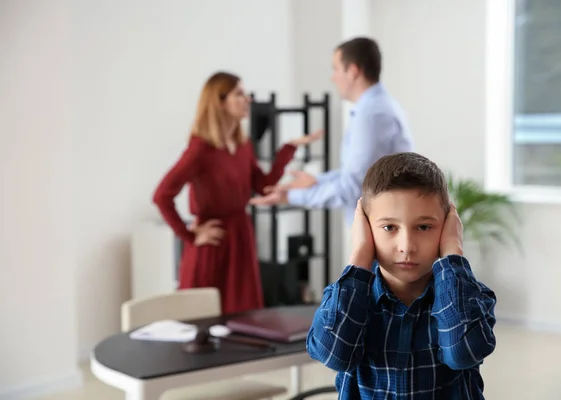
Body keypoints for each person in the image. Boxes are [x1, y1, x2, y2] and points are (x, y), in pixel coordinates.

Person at [306, 152, 497, 399]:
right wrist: (360, 254)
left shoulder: (471, 297)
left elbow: (462, 353)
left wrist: (453, 251)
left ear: (449, 225)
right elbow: (334, 355)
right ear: (365, 227)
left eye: (424, 227)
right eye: (389, 227)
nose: (407, 246)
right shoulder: (347, 297)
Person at [152, 71, 322, 314]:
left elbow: (263, 185)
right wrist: (189, 235)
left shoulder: (243, 145)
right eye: (239, 94)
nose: (248, 99)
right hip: (215, 243)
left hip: (240, 238)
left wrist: (289, 148)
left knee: (244, 318)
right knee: (206, 320)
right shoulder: (200, 149)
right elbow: (162, 196)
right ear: (220, 102)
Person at [249, 37, 413, 227]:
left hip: (380, 232)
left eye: (335, 69)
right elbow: (357, 174)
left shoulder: (371, 115)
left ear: (352, 71)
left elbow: (353, 187)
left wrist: (291, 196)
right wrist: (317, 181)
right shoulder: (377, 107)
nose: (332, 77)